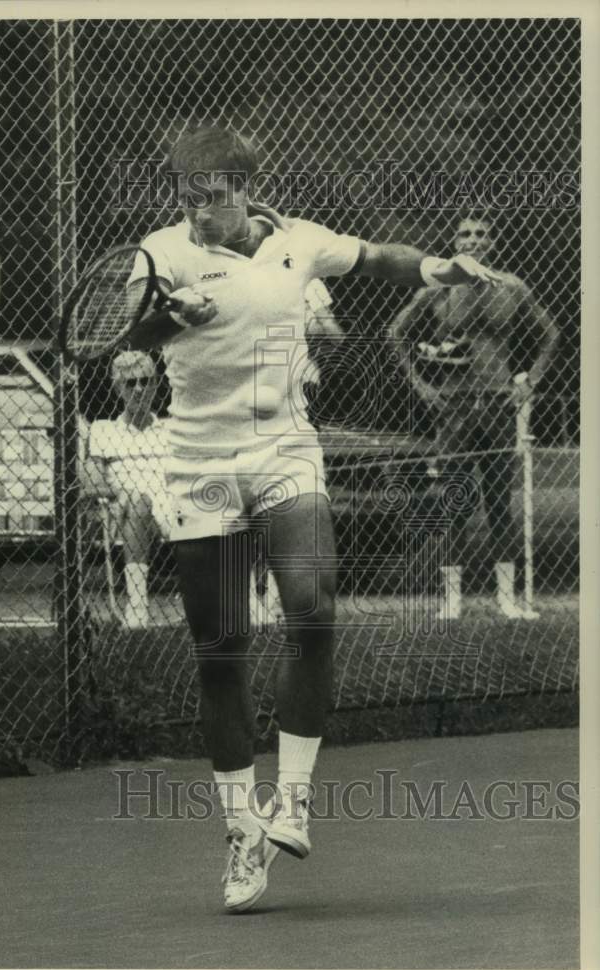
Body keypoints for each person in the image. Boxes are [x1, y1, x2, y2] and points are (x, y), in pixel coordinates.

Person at [123, 125, 502, 913]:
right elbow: (130, 332)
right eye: (186, 197)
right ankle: (240, 834)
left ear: (243, 189)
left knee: (313, 610)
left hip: (286, 450)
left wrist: (433, 264)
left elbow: (374, 257)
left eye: (213, 198)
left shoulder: (298, 242)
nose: (198, 213)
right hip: (199, 462)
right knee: (221, 652)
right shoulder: (159, 251)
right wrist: (176, 318)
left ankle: (291, 801)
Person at [388, 216, 560, 620]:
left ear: (493, 242)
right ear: (454, 240)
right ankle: (451, 601)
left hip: (499, 403)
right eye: (465, 233)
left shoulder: (511, 286)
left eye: (482, 233)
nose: (473, 239)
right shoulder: (442, 286)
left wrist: (530, 381)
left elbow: (551, 334)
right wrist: (422, 387)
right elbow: (396, 332)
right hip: (455, 406)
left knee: (500, 503)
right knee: (455, 504)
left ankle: (506, 599)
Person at [82, 350, 172, 629]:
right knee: (138, 502)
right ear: (118, 388)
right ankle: (137, 606)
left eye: (146, 381)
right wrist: (109, 491)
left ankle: (254, 600)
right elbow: (91, 477)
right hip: (123, 508)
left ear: (156, 384)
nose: (139, 389)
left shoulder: (172, 428)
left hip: (174, 504)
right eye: (130, 383)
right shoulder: (102, 429)